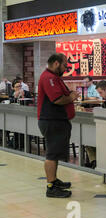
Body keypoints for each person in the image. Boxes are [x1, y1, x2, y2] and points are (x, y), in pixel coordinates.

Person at [37, 53, 80, 198]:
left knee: (54, 154)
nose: (65, 68)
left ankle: (54, 181)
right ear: (56, 63)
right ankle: (51, 187)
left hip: (57, 120)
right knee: (51, 154)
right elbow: (56, 99)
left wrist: (69, 94)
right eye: (64, 65)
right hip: (51, 120)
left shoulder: (54, 77)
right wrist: (71, 97)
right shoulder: (48, 78)